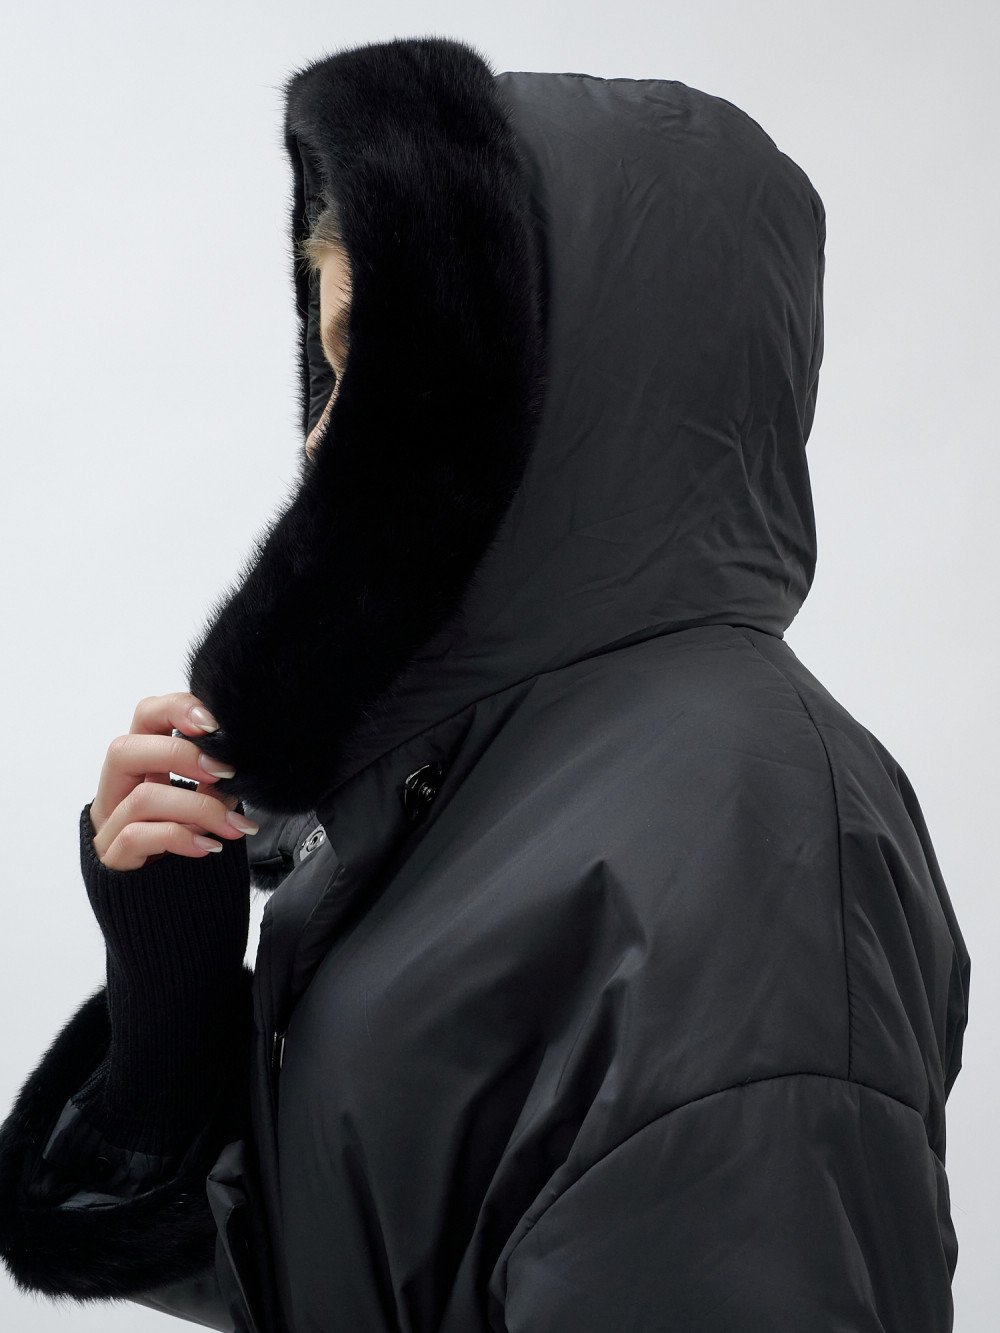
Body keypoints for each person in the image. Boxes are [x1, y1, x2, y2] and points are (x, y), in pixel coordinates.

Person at [0, 34, 970, 1333]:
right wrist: (169, 1001)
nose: (321, 432)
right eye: (328, 365)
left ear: (551, 370)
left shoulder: (743, 835)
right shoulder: (448, 788)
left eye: (376, 358)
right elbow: (357, 1262)